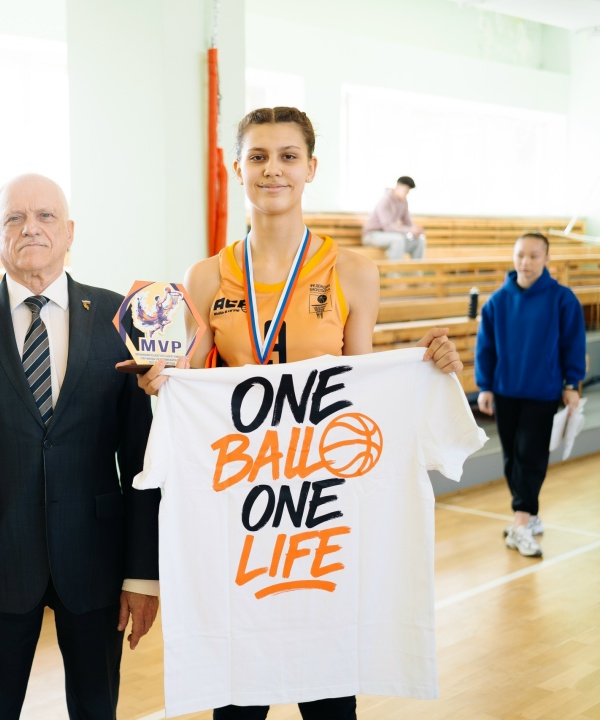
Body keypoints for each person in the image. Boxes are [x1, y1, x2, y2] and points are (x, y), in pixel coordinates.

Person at [135, 107, 462, 720]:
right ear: (238, 170)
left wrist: (425, 366)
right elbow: (189, 384)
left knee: (330, 698)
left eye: (288, 156)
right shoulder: (204, 278)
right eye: (258, 157)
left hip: (319, 508)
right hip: (241, 506)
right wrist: (161, 382)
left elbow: (362, 391)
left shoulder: (353, 272)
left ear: (311, 168)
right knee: (238, 701)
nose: (273, 170)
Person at [0, 173, 161, 720]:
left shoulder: (119, 318)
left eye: (46, 216)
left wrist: (141, 573)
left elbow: (142, 462)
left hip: (97, 562)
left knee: (97, 709)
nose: (30, 228)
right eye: (14, 218)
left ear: (70, 231)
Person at [475, 232, 585, 558]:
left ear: (547, 259)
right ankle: (530, 515)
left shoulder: (563, 299)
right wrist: (485, 386)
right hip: (505, 391)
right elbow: (485, 348)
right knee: (512, 458)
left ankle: (520, 523)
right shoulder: (497, 302)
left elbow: (573, 344)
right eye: (520, 255)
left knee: (530, 455)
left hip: (543, 392)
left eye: (534, 256)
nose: (526, 262)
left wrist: (571, 384)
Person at [361, 176, 425, 259]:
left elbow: (408, 223)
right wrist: (409, 230)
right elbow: (387, 227)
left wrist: (416, 230)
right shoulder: (385, 200)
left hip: (389, 235)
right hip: (372, 235)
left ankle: (417, 267)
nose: (406, 193)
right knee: (398, 240)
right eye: (405, 191)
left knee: (418, 240)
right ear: (398, 186)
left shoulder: (404, 202)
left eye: (408, 191)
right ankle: (395, 268)